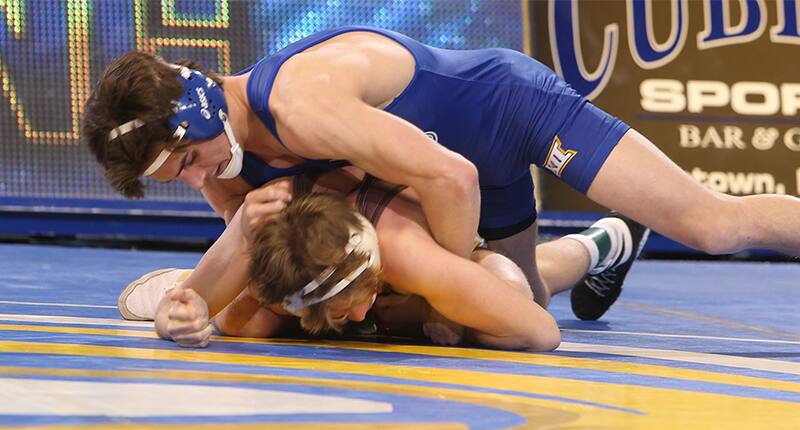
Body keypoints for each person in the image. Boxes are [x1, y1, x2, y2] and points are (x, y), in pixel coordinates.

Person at [84, 26, 800, 324]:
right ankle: (610, 242)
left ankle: (612, 236)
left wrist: (452, 297)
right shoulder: (223, 165)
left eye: (180, 160)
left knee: (713, 225)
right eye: (172, 173)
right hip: (444, 176)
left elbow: (453, 179)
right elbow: (273, 270)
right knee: (519, 305)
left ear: (199, 111)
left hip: (510, 113)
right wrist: (189, 306)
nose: (188, 178)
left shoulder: (300, 104)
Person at [152, 167, 646, 350]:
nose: (363, 314)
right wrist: (187, 313)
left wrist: (442, 306)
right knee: (250, 322)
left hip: (440, 249)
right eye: (348, 310)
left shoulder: (404, 248)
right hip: (314, 253)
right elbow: (224, 316)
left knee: (514, 290)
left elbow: (540, 331)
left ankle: (608, 239)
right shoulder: (274, 241)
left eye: (359, 297)